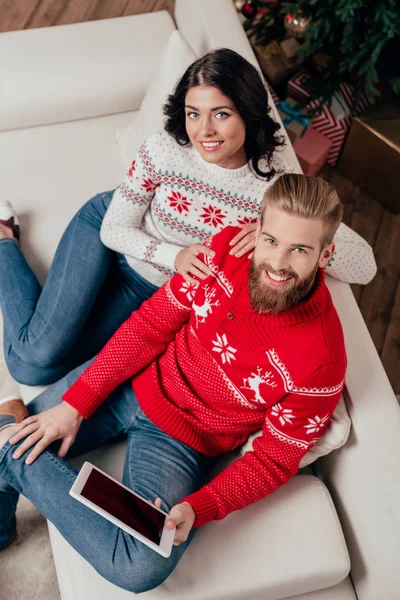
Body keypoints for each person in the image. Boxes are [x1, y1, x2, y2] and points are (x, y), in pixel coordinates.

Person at [0, 174, 347, 592]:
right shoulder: (225, 250)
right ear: (258, 228)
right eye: (271, 240)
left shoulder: (322, 361)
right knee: (27, 442)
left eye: (300, 250)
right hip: (132, 383)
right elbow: (148, 327)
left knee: (140, 566)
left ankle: (6, 434)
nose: (277, 262)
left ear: (325, 254)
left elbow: (273, 460)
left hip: (181, 443)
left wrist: (199, 508)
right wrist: (75, 404)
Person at [0, 49, 376, 388]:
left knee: (31, 371)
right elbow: (114, 228)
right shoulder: (165, 151)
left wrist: (273, 227)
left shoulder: (274, 191)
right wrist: (175, 257)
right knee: (37, 351)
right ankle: (3, 241)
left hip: (149, 289)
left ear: (249, 112)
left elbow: (365, 266)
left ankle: (5, 238)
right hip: (108, 234)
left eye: (222, 114)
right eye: (193, 114)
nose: (204, 131)